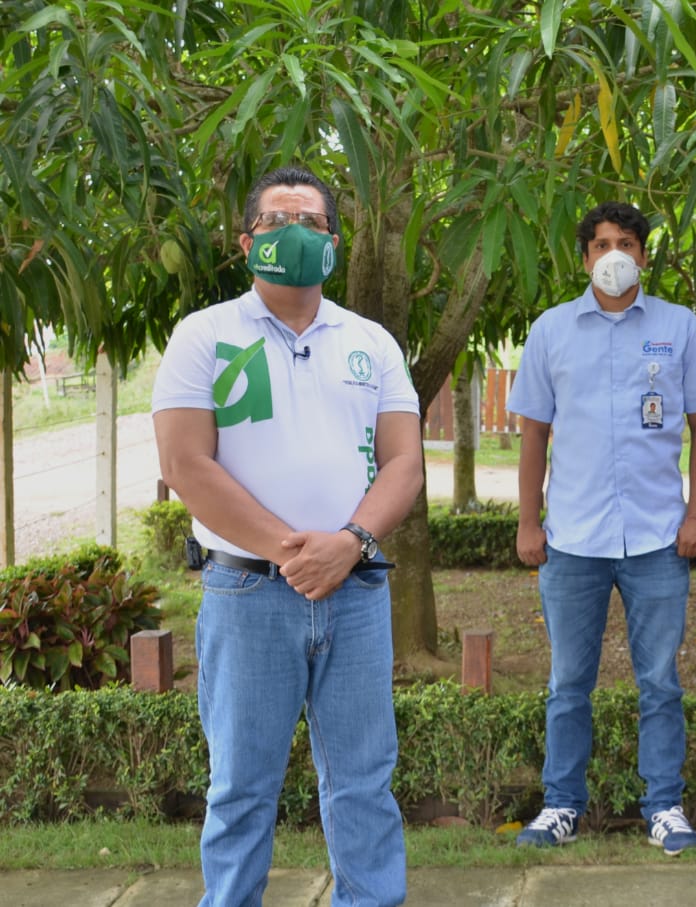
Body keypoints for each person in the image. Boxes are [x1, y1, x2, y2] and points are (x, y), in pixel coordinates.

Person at [152, 165, 424, 907]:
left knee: (365, 781)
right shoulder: (203, 335)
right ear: (246, 243)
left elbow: (405, 462)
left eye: (309, 219)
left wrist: (351, 541)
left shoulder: (372, 341)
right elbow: (184, 462)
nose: (293, 232)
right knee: (241, 785)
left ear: (332, 242)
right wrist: (292, 550)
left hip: (358, 591)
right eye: (276, 221)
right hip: (247, 592)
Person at [506, 201, 696, 855]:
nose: (613, 252)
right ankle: (561, 804)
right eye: (601, 242)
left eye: (625, 241)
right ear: (584, 257)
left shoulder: (679, 327)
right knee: (567, 682)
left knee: (659, 679)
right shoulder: (550, 331)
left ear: (643, 254)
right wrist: (528, 522)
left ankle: (664, 805)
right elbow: (533, 434)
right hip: (571, 538)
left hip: (659, 537)